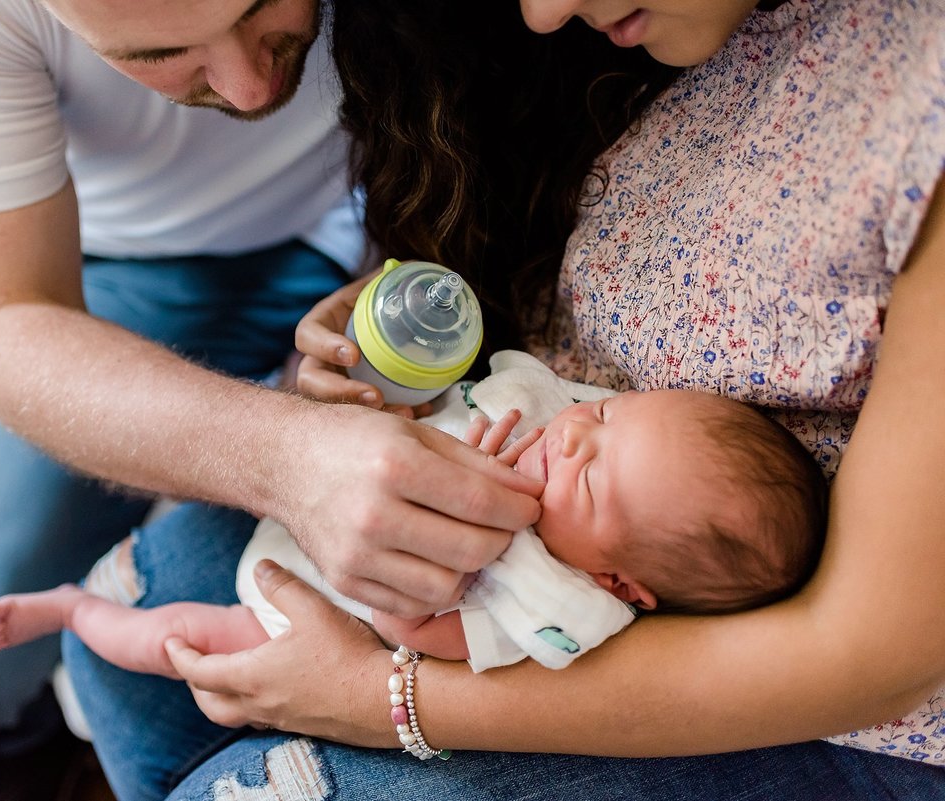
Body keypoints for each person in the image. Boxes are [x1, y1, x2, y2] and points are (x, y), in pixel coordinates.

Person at [60, 0, 945, 799]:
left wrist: (385, 700)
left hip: (831, 695)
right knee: (123, 660)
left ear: (616, 584)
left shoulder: (917, 105)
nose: (544, 11)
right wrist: (396, 318)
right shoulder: (674, 37)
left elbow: (870, 656)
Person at [0, 1, 549, 799]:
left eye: (263, 5)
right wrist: (287, 455)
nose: (246, 89)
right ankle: (12, 724)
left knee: (16, 540)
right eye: (156, 52)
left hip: (240, 243)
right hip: (11, 192)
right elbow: (0, 311)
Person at [0, 356, 827, 678]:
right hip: (311, 500)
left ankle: (74, 611)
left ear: (616, 580)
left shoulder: (553, 608)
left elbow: (412, 632)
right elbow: (441, 412)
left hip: (293, 608)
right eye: (602, 419)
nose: (570, 435)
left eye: (593, 480)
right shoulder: (531, 435)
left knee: (181, 644)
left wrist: (440, 582)